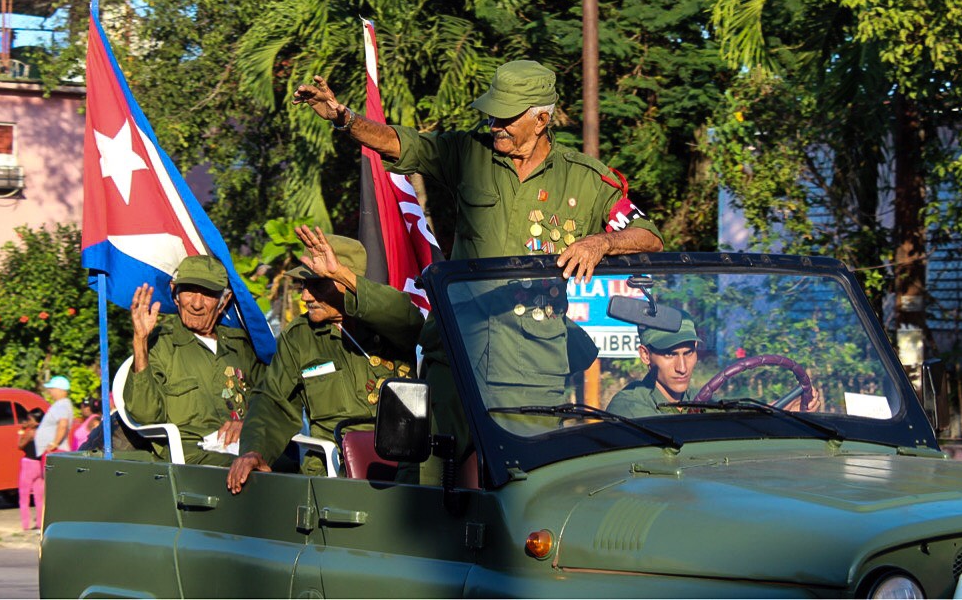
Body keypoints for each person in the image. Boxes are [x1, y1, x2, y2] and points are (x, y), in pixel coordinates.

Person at [295, 61, 664, 474]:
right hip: (455, 359)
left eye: (506, 116)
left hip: (530, 373)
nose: (494, 124)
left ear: (541, 119)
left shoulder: (586, 181)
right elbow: (401, 145)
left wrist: (602, 242)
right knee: (426, 489)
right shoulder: (469, 153)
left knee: (526, 489)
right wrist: (345, 119)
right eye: (492, 113)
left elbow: (650, 236)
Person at [227, 233, 422, 494]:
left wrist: (343, 275)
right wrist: (254, 450)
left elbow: (409, 320)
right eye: (303, 286)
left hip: (403, 475)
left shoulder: (389, 323)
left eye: (317, 284)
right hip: (333, 474)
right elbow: (273, 402)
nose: (305, 297)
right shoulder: (300, 337)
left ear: (344, 280)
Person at [123, 255, 268, 465]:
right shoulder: (161, 345)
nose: (197, 304)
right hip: (193, 457)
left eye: (208, 294)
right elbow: (145, 415)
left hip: (248, 447)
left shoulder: (240, 345)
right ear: (175, 294)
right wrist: (140, 341)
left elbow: (270, 396)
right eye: (189, 291)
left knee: (295, 468)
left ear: (223, 301)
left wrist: (249, 422)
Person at [605, 311, 701, 418]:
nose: (682, 368)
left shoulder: (704, 400)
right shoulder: (629, 408)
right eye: (669, 354)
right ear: (645, 355)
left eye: (688, 353)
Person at [17, 407, 46, 530]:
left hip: (28, 463)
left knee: (24, 496)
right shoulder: (44, 432)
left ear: (36, 421)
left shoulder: (31, 432)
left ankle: (25, 524)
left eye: (30, 419)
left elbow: (20, 445)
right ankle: (40, 523)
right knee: (38, 497)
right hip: (39, 463)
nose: (28, 422)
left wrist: (22, 431)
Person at [35, 377, 74, 459]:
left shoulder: (62, 404)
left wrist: (55, 443)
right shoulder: (60, 404)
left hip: (55, 452)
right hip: (52, 452)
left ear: (60, 390)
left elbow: (63, 424)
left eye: (52, 388)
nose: (49, 391)